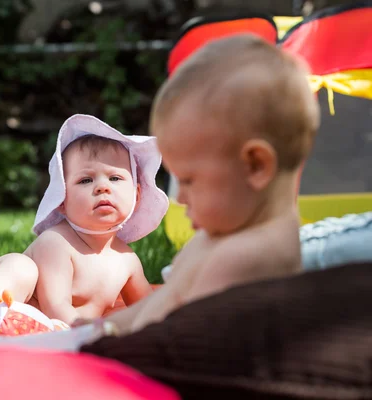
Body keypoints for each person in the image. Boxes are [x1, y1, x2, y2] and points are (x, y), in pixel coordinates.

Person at [76, 34, 321, 337]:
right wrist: (102, 328)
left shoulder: (252, 255)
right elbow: (161, 303)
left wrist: (103, 348)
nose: (181, 199)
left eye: (189, 181)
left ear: (256, 165)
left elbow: (187, 341)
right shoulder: (223, 235)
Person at [0, 114, 170, 346]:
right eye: (86, 180)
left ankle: (2, 335)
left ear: (137, 195)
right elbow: (54, 306)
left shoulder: (127, 260)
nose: (102, 188)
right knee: (20, 265)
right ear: (62, 202)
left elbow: (148, 310)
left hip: (32, 332)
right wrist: (94, 337)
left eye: (115, 178)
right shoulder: (57, 242)